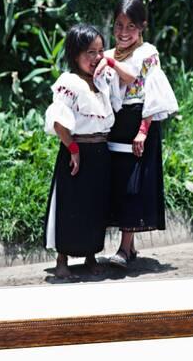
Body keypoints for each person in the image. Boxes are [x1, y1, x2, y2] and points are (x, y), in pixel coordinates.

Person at [43, 23, 135, 279]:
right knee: (71, 205)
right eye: (89, 52)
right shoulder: (69, 82)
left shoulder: (102, 82)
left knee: (95, 206)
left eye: (100, 51)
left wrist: (111, 63)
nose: (96, 58)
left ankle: (90, 256)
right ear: (75, 54)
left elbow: (131, 80)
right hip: (77, 152)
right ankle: (62, 261)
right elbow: (59, 121)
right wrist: (72, 149)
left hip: (100, 152)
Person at [96, 0, 178, 268]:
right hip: (116, 126)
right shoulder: (107, 55)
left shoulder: (147, 54)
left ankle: (124, 248)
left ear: (142, 26)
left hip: (139, 124)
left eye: (131, 26)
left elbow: (149, 93)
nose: (123, 32)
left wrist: (143, 132)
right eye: (119, 25)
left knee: (132, 186)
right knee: (118, 184)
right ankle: (127, 250)